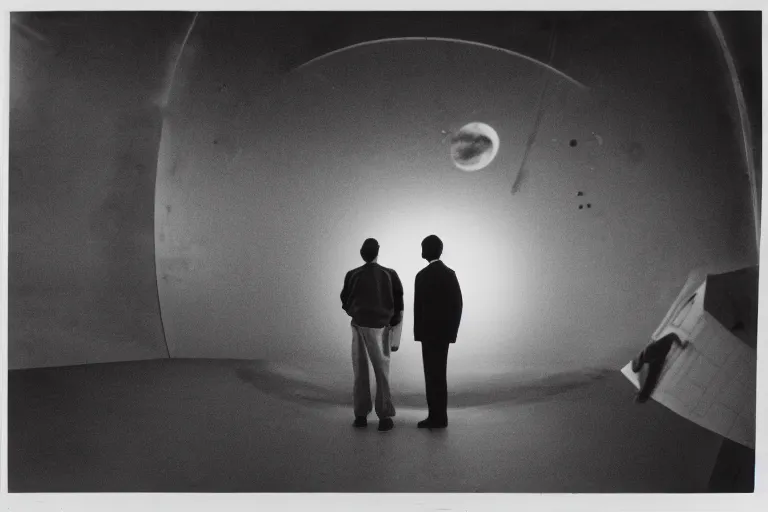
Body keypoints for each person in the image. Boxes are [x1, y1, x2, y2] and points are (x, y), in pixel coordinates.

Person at [340, 238, 404, 432]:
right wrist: (392, 325)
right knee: (382, 371)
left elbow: (344, 299)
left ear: (362, 253)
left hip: (358, 324)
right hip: (381, 326)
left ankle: (360, 415)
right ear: (378, 252)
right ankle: (384, 417)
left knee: (359, 370)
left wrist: (355, 312)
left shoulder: (352, 274)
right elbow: (398, 304)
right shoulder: (390, 274)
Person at [413, 235, 463, 429]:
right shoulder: (450, 274)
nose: (421, 251)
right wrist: (452, 333)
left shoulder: (421, 276)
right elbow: (458, 304)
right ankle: (440, 417)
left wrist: (418, 334)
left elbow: (418, 308)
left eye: (422, 247)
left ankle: (435, 416)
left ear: (427, 250)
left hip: (427, 334)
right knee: (440, 375)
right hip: (443, 335)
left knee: (430, 375)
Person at [631, 332, 690, 403]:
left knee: (651, 377)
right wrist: (681, 345)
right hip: (655, 358)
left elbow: (672, 335)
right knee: (650, 377)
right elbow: (672, 335)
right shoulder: (656, 348)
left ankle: (642, 396)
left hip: (657, 358)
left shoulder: (660, 346)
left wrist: (682, 345)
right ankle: (642, 395)